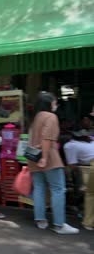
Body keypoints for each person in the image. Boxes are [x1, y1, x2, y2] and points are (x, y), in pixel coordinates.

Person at [28, 92, 79, 234]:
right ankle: (59, 224)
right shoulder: (51, 117)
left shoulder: (35, 117)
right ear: (50, 103)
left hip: (33, 157)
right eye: (55, 102)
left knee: (39, 188)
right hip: (48, 157)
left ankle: (40, 220)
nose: (56, 105)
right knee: (58, 189)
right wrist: (44, 157)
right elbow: (46, 138)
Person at [63, 129, 94, 208]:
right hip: (88, 168)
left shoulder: (71, 145)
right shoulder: (91, 142)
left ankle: (75, 201)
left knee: (69, 171)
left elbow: (72, 165)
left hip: (88, 169)